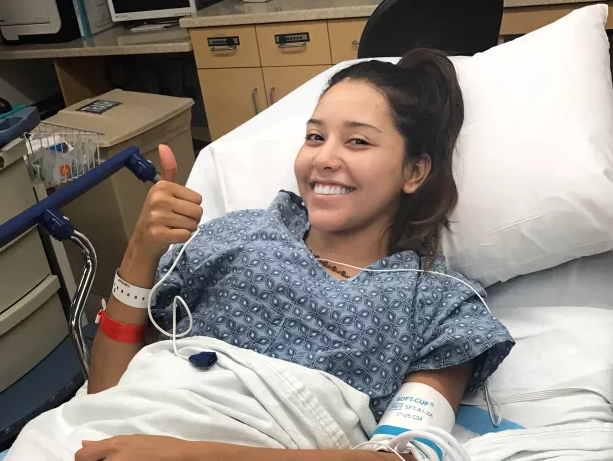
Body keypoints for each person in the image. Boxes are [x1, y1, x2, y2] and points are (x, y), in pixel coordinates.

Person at [76, 49, 514, 461]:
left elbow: (399, 459)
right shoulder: (236, 234)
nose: (323, 158)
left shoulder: (438, 303)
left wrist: (187, 454)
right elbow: (106, 394)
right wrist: (140, 251)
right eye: (315, 136)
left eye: (357, 142)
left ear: (414, 171)